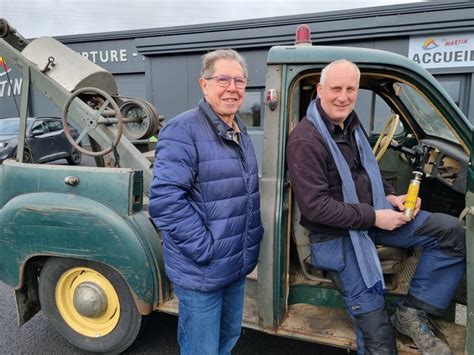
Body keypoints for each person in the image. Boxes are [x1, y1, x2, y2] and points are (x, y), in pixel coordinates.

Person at [286, 59, 465, 355]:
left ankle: (412, 312)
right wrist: (374, 217)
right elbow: (316, 208)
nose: (343, 96)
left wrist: (392, 196)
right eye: (335, 89)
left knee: (452, 233)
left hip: (372, 217)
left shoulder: (351, 125)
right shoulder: (306, 140)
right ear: (320, 89)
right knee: (378, 339)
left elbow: (367, 173)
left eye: (350, 89)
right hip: (337, 236)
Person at [149, 49, 263, 355]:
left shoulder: (239, 128)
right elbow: (165, 202)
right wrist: (205, 249)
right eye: (223, 79)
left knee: (228, 339)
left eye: (239, 80)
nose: (232, 88)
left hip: (234, 265)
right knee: (202, 349)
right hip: (202, 270)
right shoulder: (183, 130)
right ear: (204, 84)